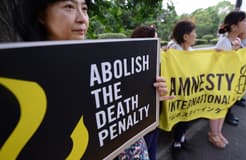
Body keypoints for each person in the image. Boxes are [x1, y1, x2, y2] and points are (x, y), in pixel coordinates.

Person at [16, 0, 172, 159]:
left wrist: (151, 94)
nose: (82, 18)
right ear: (42, 14)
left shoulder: (107, 59)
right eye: (69, 7)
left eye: (84, 8)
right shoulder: (25, 81)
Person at [116, 25, 172, 160]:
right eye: (155, 40)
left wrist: (159, 94)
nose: (158, 44)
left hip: (154, 121)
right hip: (139, 128)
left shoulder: (158, 62)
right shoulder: (127, 68)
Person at [209, 10, 246, 149]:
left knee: (224, 107)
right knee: (217, 108)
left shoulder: (236, 40)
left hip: (229, 82)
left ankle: (218, 132)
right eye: (243, 21)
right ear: (234, 27)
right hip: (220, 83)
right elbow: (218, 64)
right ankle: (213, 133)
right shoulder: (223, 42)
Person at [166, 19, 196, 158]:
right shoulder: (173, 50)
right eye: (193, 33)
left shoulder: (191, 51)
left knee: (188, 116)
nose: (195, 35)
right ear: (185, 36)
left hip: (189, 90)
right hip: (176, 91)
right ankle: (176, 143)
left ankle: (182, 139)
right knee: (181, 117)